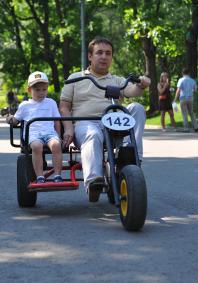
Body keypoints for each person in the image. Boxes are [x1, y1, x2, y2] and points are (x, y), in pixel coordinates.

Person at [60, 37, 150, 202]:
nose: (103, 57)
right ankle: (94, 181)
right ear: (90, 56)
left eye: (108, 53)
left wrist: (142, 84)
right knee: (92, 134)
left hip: (113, 124)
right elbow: (64, 106)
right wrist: (68, 128)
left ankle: (133, 156)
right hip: (85, 124)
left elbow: (132, 91)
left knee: (136, 107)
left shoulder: (116, 80)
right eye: (99, 53)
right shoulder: (76, 78)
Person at [6, 71, 63, 183]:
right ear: (29, 90)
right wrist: (10, 119)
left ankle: (57, 175)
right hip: (33, 134)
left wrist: (58, 135)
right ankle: (40, 176)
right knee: (36, 146)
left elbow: (57, 121)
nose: (41, 93)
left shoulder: (51, 103)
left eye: (44, 89)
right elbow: (16, 120)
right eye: (37, 90)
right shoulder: (25, 105)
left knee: (56, 145)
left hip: (49, 133)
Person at [174, 68, 198, 132]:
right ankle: (196, 126)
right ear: (189, 73)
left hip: (183, 98)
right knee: (191, 113)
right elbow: (195, 89)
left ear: (182, 73)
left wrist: (175, 99)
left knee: (184, 113)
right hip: (190, 98)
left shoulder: (181, 80)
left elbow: (178, 90)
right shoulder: (192, 80)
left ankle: (186, 128)